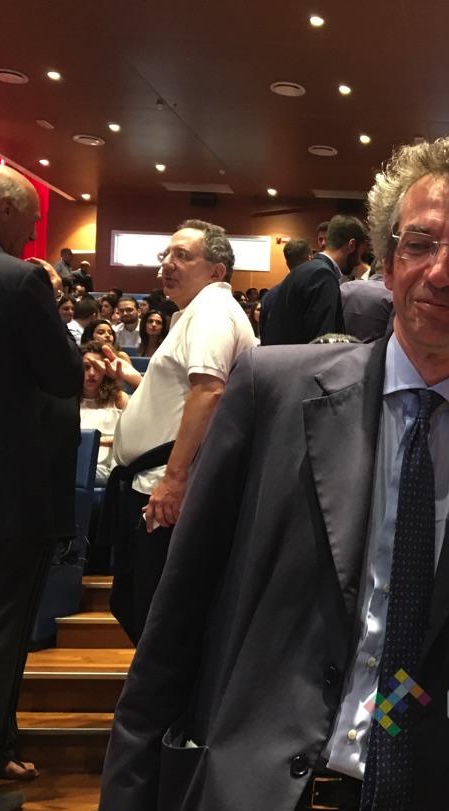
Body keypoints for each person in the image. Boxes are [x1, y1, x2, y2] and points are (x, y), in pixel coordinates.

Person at [95, 132, 449, 811]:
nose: (439, 271)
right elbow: (177, 614)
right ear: (385, 261)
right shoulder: (272, 391)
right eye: (418, 243)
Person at [0, 165, 81, 811]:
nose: (34, 234)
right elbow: (63, 376)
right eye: (32, 220)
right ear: (7, 210)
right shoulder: (16, 280)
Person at [106, 219, 256, 643]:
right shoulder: (196, 313)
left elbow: (209, 391)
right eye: (166, 255)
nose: (167, 265)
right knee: (141, 607)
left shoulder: (211, 311)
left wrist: (174, 480)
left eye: (182, 256)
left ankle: (162, 691)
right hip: (155, 481)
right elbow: (181, 395)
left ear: (216, 271)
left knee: (160, 620)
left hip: (168, 487)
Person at [261, 214, 369, 345]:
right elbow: (322, 343)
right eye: (361, 253)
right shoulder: (323, 276)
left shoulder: (305, 270)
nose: (359, 261)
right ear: (351, 245)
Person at [81, 340, 128, 483]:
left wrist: (100, 441)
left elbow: (134, 435)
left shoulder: (118, 398)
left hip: (106, 467)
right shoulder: (68, 399)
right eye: (86, 367)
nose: (91, 373)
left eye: (97, 368)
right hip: (75, 461)